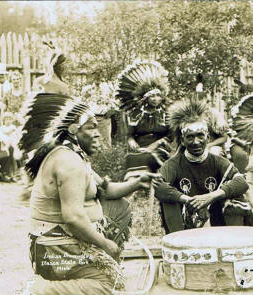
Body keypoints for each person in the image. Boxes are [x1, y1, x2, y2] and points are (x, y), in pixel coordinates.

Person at [20, 93, 160, 295]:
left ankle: (91, 268)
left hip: (55, 245)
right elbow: (73, 218)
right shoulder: (69, 162)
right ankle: (40, 290)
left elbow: (107, 190)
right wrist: (106, 244)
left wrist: (137, 182)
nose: (98, 134)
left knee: (119, 206)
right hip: (53, 251)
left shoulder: (73, 155)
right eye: (91, 127)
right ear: (73, 130)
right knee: (111, 285)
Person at [154, 99, 253, 234]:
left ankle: (234, 243)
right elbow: (159, 187)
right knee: (168, 200)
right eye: (190, 137)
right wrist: (189, 200)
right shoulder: (173, 164)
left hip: (215, 221)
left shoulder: (218, 161)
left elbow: (241, 182)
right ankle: (179, 245)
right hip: (186, 223)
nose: (196, 142)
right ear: (183, 141)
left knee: (236, 199)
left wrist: (211, 197)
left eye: (200, 136)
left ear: (208, 138)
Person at [116, 59, 172, 178]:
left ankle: (150, 187)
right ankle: (134, 187)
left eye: (158, 96)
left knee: (148, 157)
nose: (155, 99)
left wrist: (153, 146)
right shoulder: (137, 114)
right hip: (140, 147)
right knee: (132, 158)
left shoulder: (166, 113)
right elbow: (130, 135)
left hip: (160, 148)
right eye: (152, 96)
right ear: (145, 98)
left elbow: (170, 136)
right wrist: (131, 141)